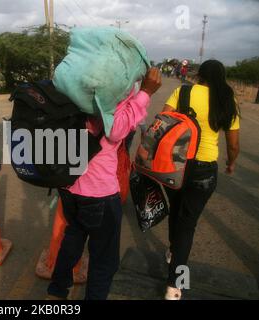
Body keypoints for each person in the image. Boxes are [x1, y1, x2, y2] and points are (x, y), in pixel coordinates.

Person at [46, 68, 162, 300]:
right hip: (98, 194)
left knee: (73, 239)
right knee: (103, 260)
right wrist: (146, 91)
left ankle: (56, 293)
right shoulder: (107, 102)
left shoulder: (71, 96)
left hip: (70, 188)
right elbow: (118, 129)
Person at [162, 59, 240, 300]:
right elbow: (233, 144)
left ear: (200, 75)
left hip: (176, 163)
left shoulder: (182, 91)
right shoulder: (227, 100)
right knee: (187, 223)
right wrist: (230, 163)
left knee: (176, 210)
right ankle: (175, 286)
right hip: (204, 168)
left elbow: (163, 120)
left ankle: (173, 250)